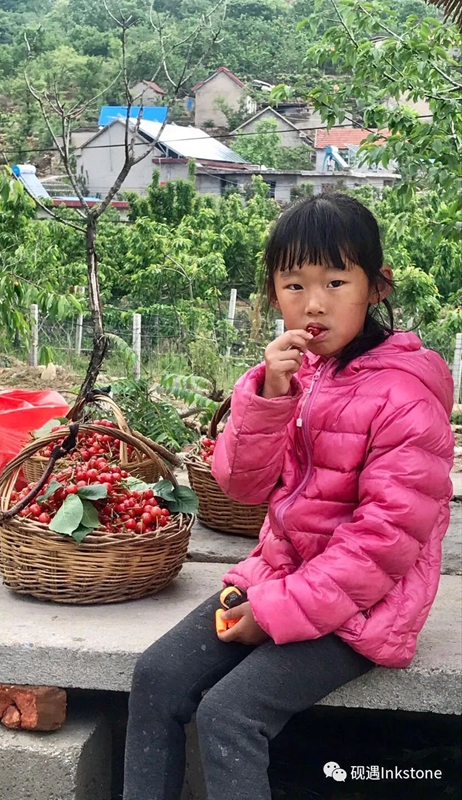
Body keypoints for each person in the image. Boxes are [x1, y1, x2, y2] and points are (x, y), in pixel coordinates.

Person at [122, 193, 455, 800]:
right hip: (280, 575)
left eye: (335, 280)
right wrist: (270, 394)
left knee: (230, 714)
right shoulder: (299, 372)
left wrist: (272, 615)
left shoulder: (403, 397)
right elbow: (242, 485)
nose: (314, 303)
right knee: (158, 675)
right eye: (294, 284)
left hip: (363, 608)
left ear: (376, 287)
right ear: (273, 294)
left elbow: (382, 548)